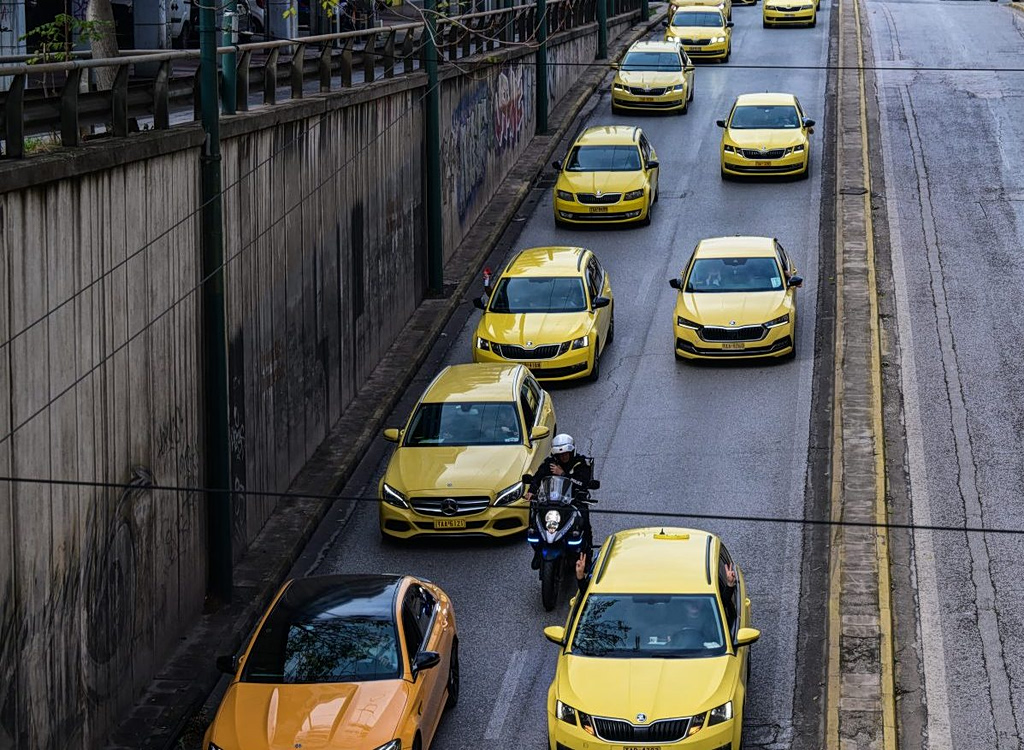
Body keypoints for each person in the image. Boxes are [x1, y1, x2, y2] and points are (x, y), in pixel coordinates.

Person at [527, 433, 593, 569]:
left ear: (571, 452)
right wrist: (531, 491)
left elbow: (583, 482)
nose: (563, 457)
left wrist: (563, 474)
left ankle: (586, 556)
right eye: (560, 455)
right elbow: (538, 477)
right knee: (535, 517)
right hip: (552, 501)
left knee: (584, 521)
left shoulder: (580, 463)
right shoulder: (550, 463)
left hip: (574, 501)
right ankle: (538, 551)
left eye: (566, 454)